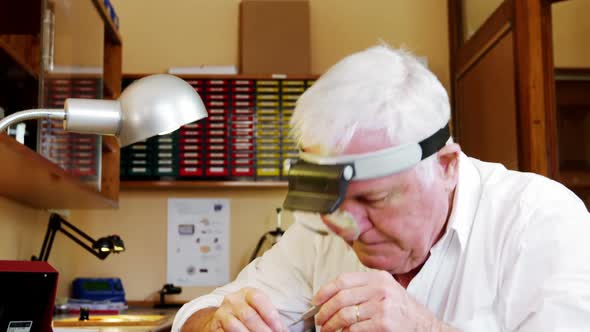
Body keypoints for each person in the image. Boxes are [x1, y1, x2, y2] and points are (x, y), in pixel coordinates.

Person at [172, 45, 590, 332]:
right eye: (333, 199)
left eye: (375, 199)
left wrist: (423, 326)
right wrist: (218, 323)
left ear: (446, 167)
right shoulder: (323, 234)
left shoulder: (539, 219)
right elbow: (196, 313)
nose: (348, 227)